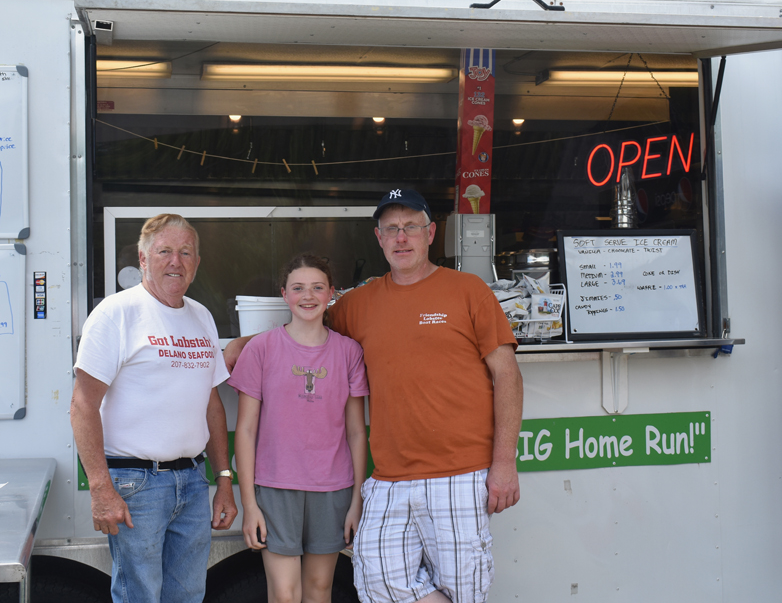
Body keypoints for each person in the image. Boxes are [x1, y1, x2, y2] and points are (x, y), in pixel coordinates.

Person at [226, 189, 523, 603]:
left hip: (460, 473)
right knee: (377, 582)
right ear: (379, 238)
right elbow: (309, 325)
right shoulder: (358, 304)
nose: (401, 238)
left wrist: (504, 462)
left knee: (464, 590)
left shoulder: (468, 290)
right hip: (388, 477)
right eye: (391, 229)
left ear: (431, 233)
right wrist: (251, 343)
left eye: (410, 228)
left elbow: (507, 374)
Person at [70, 213, 237, 603]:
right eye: (164, 251)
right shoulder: (117, 313)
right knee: (139, 596)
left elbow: (210, 401)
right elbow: (82, 405)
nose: (175, 261)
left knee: (188, 595)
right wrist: (101, 489)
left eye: (185, 252)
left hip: (194, 481)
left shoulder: (201, 316)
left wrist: (224, 478)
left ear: (196, 263)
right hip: (135, 485)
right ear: (143, 260)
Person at [228, 253, 368, 603]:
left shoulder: (349, 352)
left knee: (320, 590)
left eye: (317, 287)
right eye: (298, 288)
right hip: (275, 488)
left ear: (331, 293)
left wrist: (356, 501)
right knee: (285, 594)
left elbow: (356, 432)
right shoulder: (261, 348)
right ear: (284, 294)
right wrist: (250, 505)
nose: (308, 296)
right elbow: (245, 431)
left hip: (333, 488)